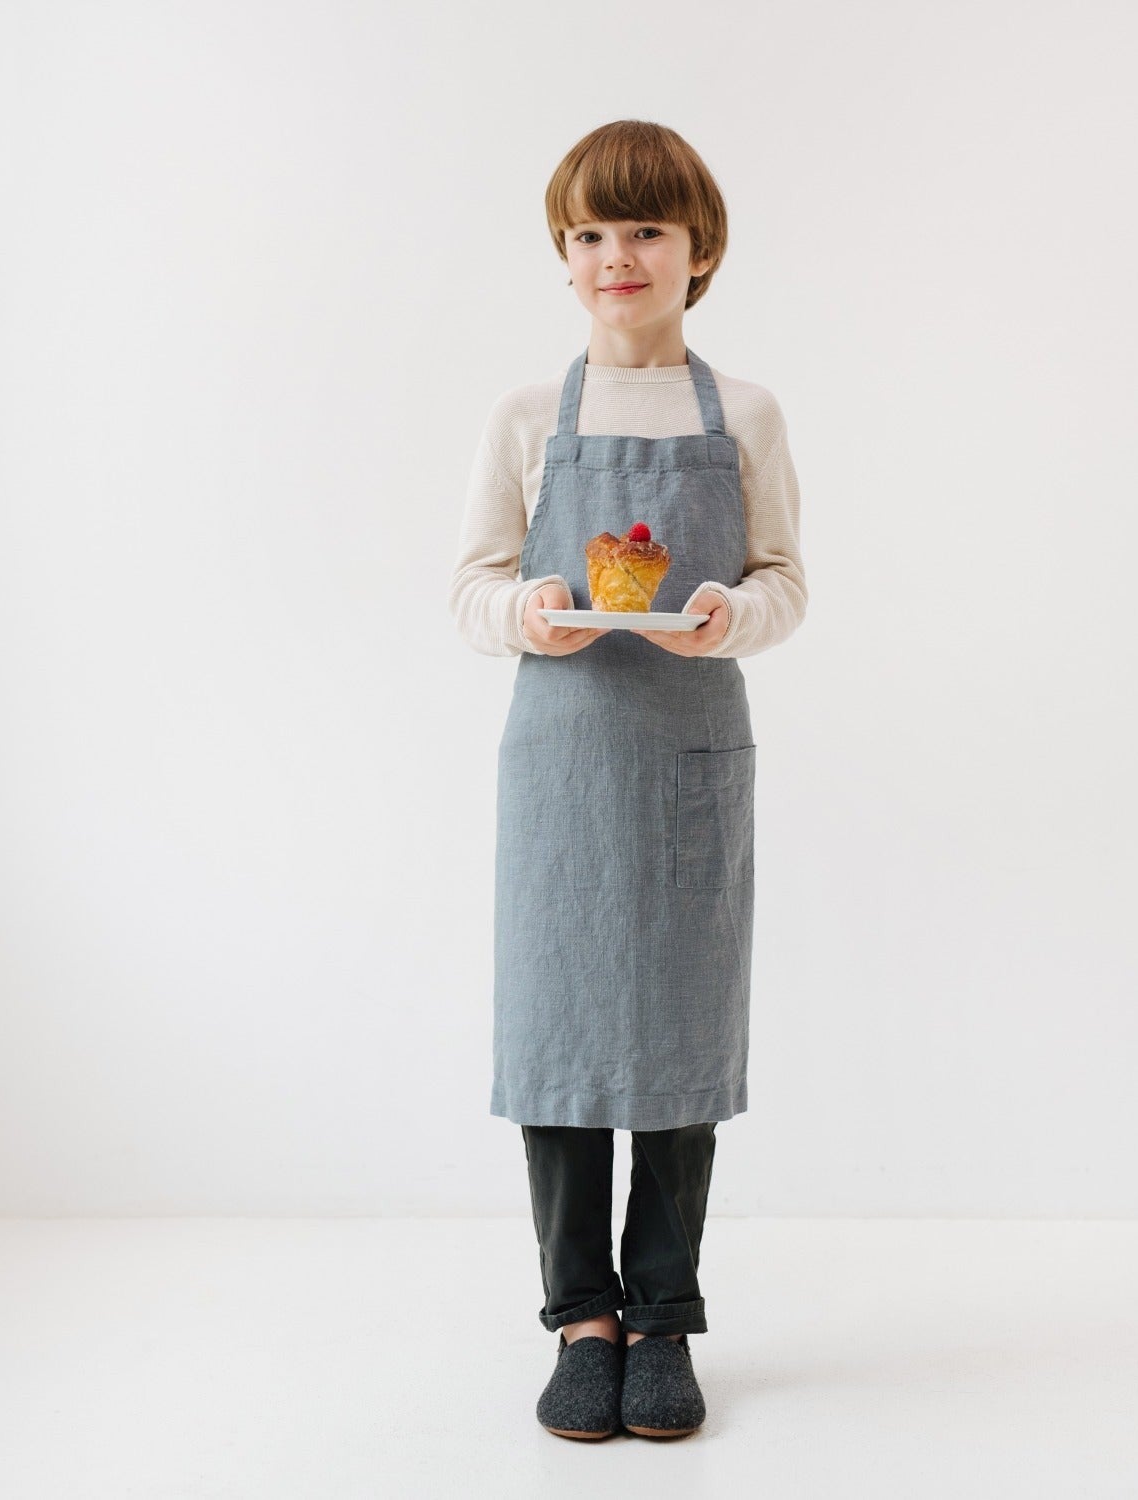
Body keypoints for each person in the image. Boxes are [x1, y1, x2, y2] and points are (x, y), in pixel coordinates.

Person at [447, 119, 807, 1440]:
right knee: (557, 1043)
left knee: (675, 1040)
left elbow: (786, 583)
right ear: (565, 254)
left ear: (697, 249)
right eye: (589, 234)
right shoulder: (529, 415)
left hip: (688, 762)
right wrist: (524, 614)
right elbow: (470, 583)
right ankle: (578, 1319)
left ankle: (661, 1317)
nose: (617, 256)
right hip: (560, 760)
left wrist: (731, 614)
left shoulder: (746, 414)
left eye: (645, 230)